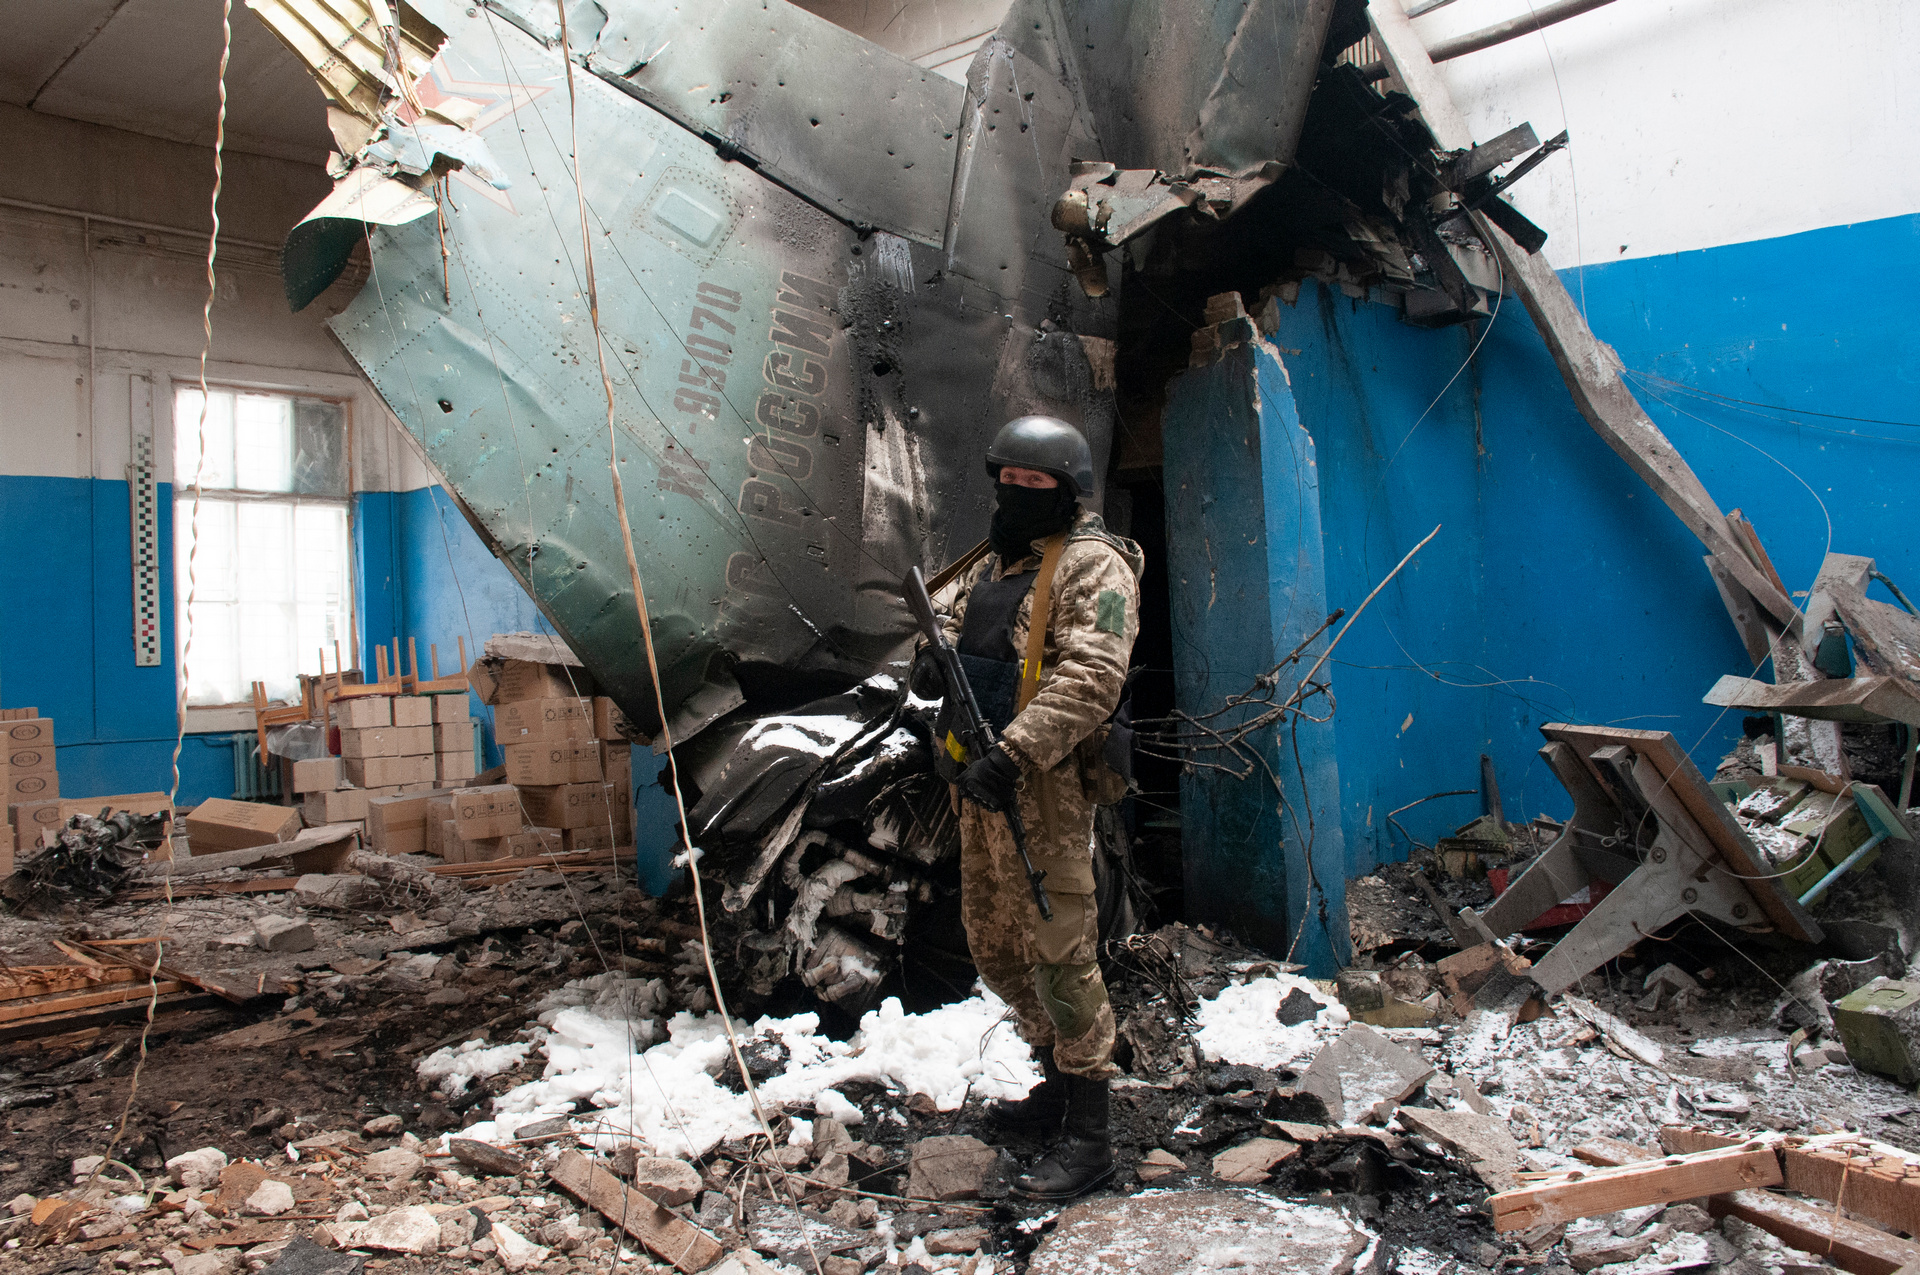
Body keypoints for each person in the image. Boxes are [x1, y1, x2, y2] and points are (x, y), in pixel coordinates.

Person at [912, 415, 1143, 1200]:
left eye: (1033, 483)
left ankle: (1091, 1135)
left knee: (1060, 951)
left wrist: (1012, 755)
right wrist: (929, 666)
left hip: (1039, 781)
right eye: (1005, 480)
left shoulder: (1092, 566)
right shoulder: (993, 559)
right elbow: (950, 622)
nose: (1015, 494)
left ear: (1068, 490)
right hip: (977, 778)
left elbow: (1090, 678)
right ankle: (1054, 1082)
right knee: (996, 942)